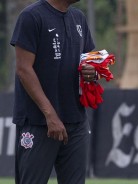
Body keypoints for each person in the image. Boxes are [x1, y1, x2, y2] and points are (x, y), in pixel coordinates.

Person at [10, 0, 96, 183]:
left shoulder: (79, 18)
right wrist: (50, 115)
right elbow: (23, 69)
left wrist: (92, 71)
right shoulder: (31, 17)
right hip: (39, 122)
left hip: (76, 122)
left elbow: (88, 61)